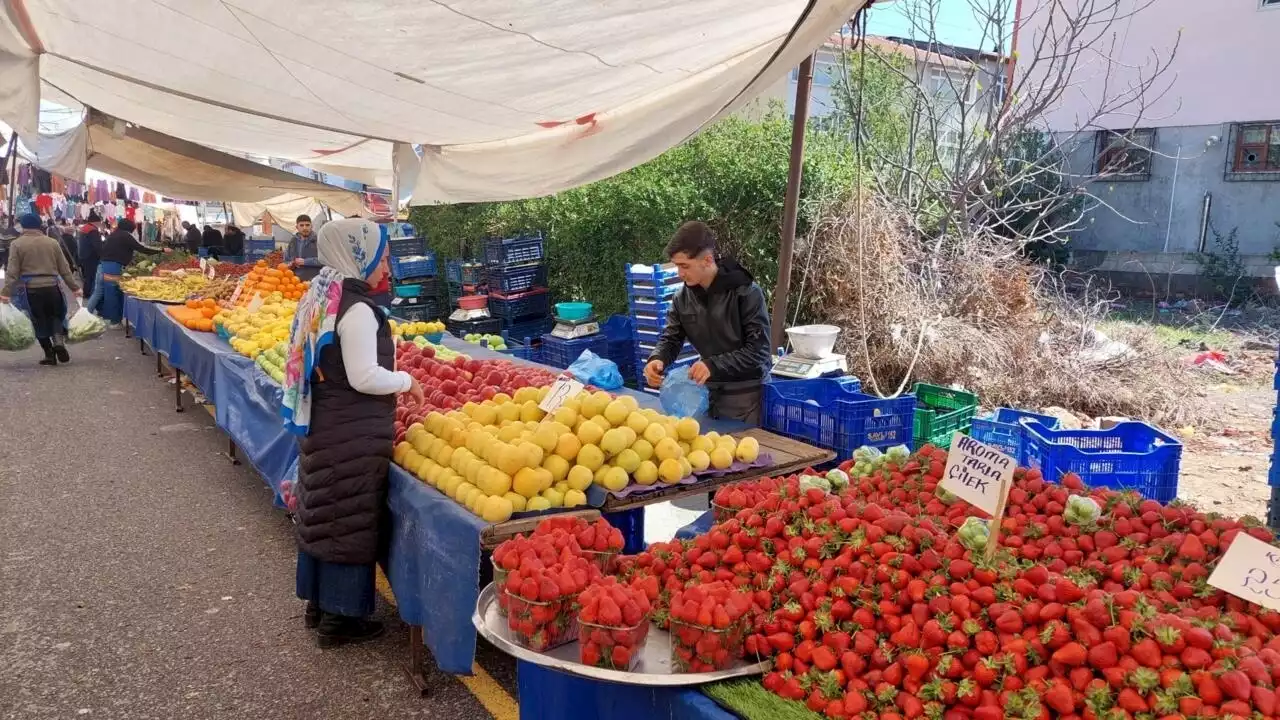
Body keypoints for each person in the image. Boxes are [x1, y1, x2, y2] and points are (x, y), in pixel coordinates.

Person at [281, 218, 423, 648]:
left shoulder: (326, 293)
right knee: (348, 520)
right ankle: (340, 621)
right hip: (353, 432)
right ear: (358, 256)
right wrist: (405, 383)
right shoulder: (358, 309)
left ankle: (320, 605)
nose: (387, 267)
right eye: (381, 257)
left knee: (323, 513)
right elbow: (363, 376)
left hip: (329, 424)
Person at [643, 221, 772, 424]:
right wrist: (657, 359)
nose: (680, 274)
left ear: (707, 260)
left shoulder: (746, 292)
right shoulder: (682, 298)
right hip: (705, 394)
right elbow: (671, 338)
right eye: (677, 266)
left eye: (685, 266)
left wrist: (713, 365)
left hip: (747, 397)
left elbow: (759, 351)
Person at [0, 213, 81, 365]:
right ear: (39, 225)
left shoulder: (17, 244)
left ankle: (49, 354)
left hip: (30, 290)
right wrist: (75, 287)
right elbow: (64, 268)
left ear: (23, 226)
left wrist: (6, 292)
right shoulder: (52, 242)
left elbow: (12, 271)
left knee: (37, 321)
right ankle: (58, 342)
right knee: (56, 315)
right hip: (52, 286)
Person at [99, 218, 169, 326]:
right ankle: (114, 321)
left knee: (112, 291)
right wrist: (162, 250)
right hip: (113, 265)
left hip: (107, 264)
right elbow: (141, 248)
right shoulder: (125, 235)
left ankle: (113, 318)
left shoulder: (115, 234)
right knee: (114, 292)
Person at [284, 214, 323, 282]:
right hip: (296, 282)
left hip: (315, 281)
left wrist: (305, 261)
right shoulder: (293, 241)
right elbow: (286, 260)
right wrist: (290, 264)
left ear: (311, 226)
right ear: (297, 227)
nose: (305, 228)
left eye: (307, 225)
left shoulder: (319, 240)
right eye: (301, 225)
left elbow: (325, 261)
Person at [77, 211, 104, 306]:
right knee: (91, 276)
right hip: (91, 257)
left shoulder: (84, 228)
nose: (100, 224)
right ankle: (89, 294)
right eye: (100, 222)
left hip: (83, 256)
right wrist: (103, 255)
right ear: (96, 222)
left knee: (87, 275)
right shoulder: (92, 230)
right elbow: (97, 245)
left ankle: (86, 292)